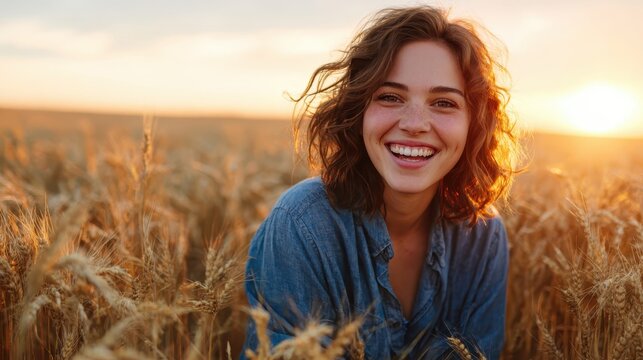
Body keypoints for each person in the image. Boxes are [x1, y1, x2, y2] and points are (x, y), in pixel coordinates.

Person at [242, 5, 519, 359]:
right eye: (390, 97)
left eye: (444, 103)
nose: (415, 123)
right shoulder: (301, 225)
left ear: (474, 124)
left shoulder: (482, 236)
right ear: (359, 111)